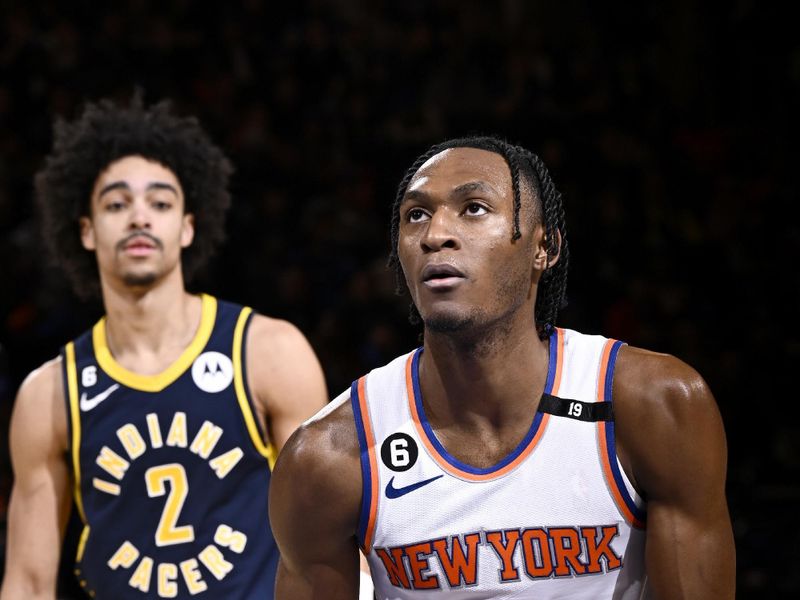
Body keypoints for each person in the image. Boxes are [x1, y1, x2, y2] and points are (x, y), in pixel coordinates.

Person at [269, 136, 736, 599]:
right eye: (416, 214)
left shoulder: (653, 404)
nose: (435, 234)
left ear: (543, 248)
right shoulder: (328, 457)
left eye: (473, 208)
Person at [0, 96, 328, 599]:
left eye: (160, 202)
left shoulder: (268, 352)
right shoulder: (50, 394)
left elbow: (326, 541)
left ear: (187, 227)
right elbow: (28, 582)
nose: (138, 217)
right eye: (116, 204)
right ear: (86, 231)